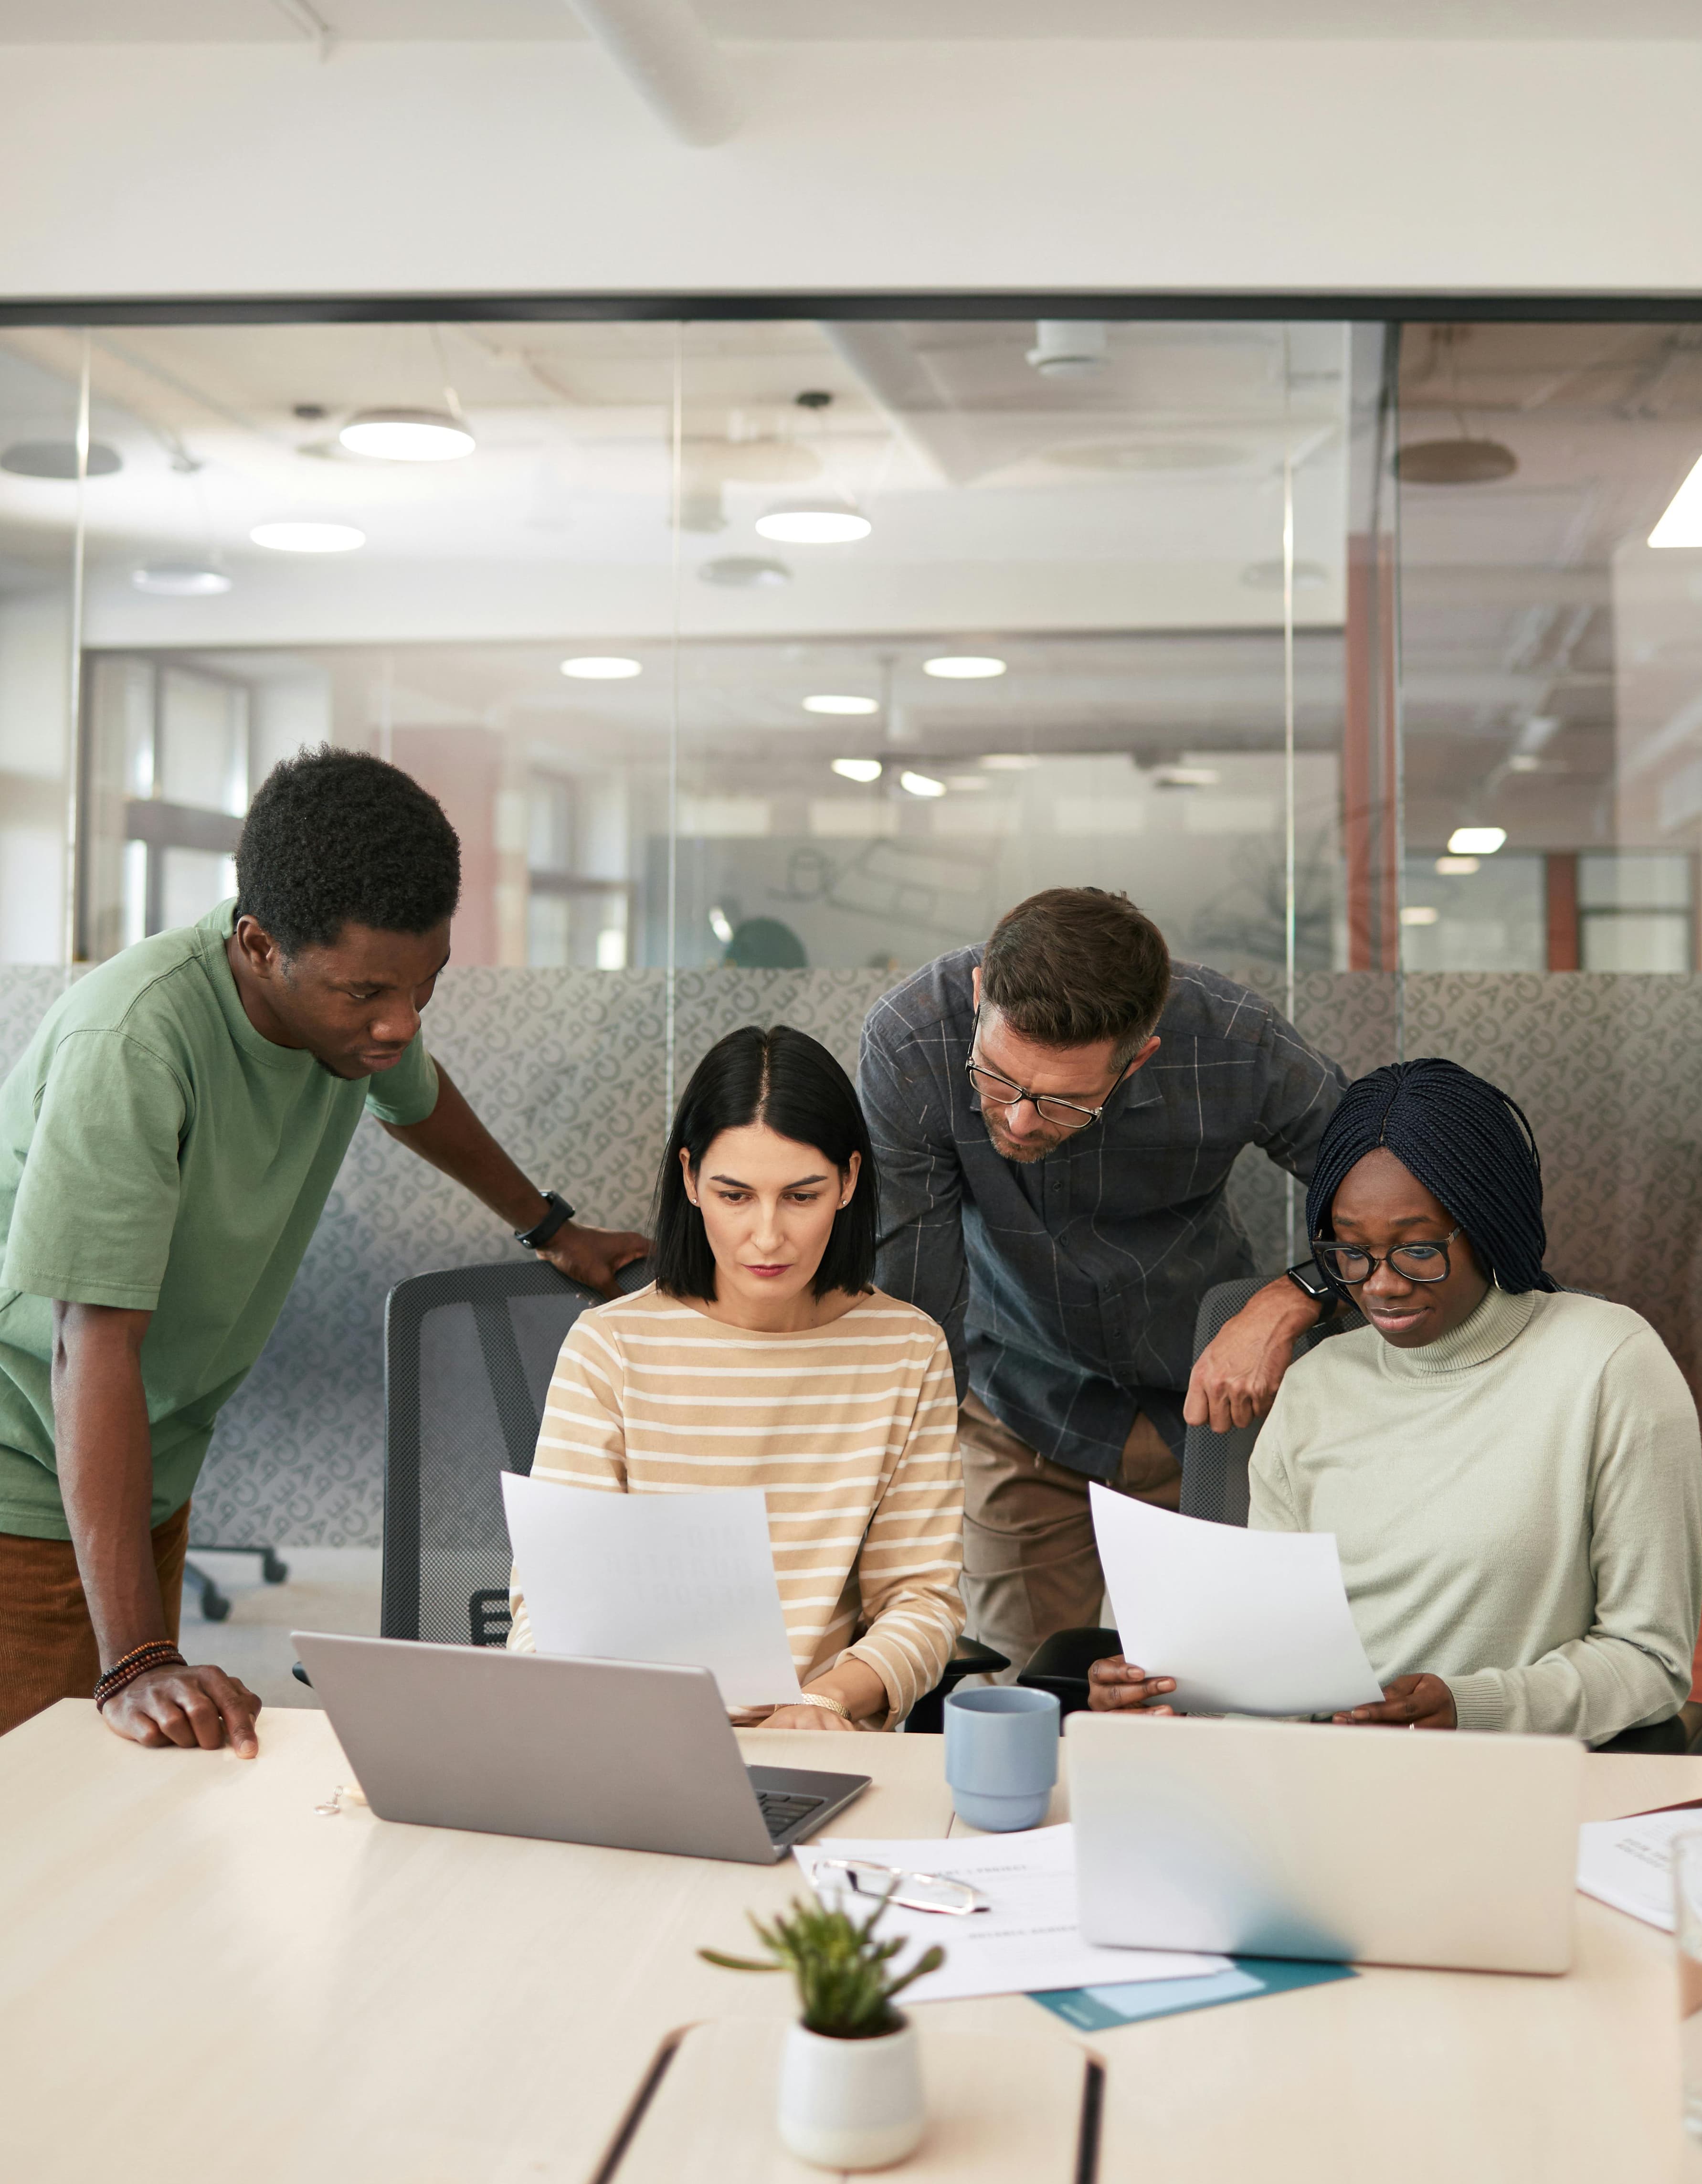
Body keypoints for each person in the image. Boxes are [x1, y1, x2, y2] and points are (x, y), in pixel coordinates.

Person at [0, 747, 649, 1754]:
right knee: (43, 1834)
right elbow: (91, 1344)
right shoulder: (132, 1044)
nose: (401, 1022)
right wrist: (134, 1657)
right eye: (367, 995)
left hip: (140, 1470)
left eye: (424, 984)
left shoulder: (345, 1016)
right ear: (258, 945)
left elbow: (416, 1104)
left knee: (142, 1789)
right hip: (25, 1474)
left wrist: (550, 1228)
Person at [1090, 1058, 1702, 1742]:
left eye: (1416, 1250)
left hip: (1507, 1784)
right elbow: (1273, 1657)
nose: (1379, 1287)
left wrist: (1474, 1707)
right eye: (1350, 1253)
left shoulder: (1610, 1366)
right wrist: (1162, 1686)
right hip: (1319, 1777)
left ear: (1488, 1222)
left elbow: (1650, 1660)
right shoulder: (1317, 1385)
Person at [859, 885, 1347, 1671]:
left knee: (1227, 1682)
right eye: (997, 1079)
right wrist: (898, 1500)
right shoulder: (912, 1041)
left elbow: (1386, 1190)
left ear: (1141, 1054)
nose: (1018, 1121)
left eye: (1064, 1102)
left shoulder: (1232, 1040)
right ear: (983, 994)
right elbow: (917, 1292)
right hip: (1020, 1399)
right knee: (1029, 1692)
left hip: (1207, 1400)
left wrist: (1292, 1298)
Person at [509, 1024, 962, 1731]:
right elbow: (551, 1600)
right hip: (637, 1736)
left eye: (802, 1196)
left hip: (816, 1741)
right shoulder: (613, 1346)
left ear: (848, 1181)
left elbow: (923, 1601)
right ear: (690, 1180)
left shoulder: (905, 1350)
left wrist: (827, 1700)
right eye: (735, 1195)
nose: (768, 1236)